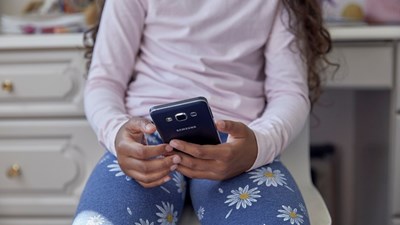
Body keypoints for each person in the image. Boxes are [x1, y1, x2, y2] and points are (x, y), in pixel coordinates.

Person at [73, 0, 333, 224]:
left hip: (234, 144)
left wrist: (258, 145)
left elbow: (289, 93)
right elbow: (104, 82)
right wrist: (117, 131)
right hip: (147, 139)